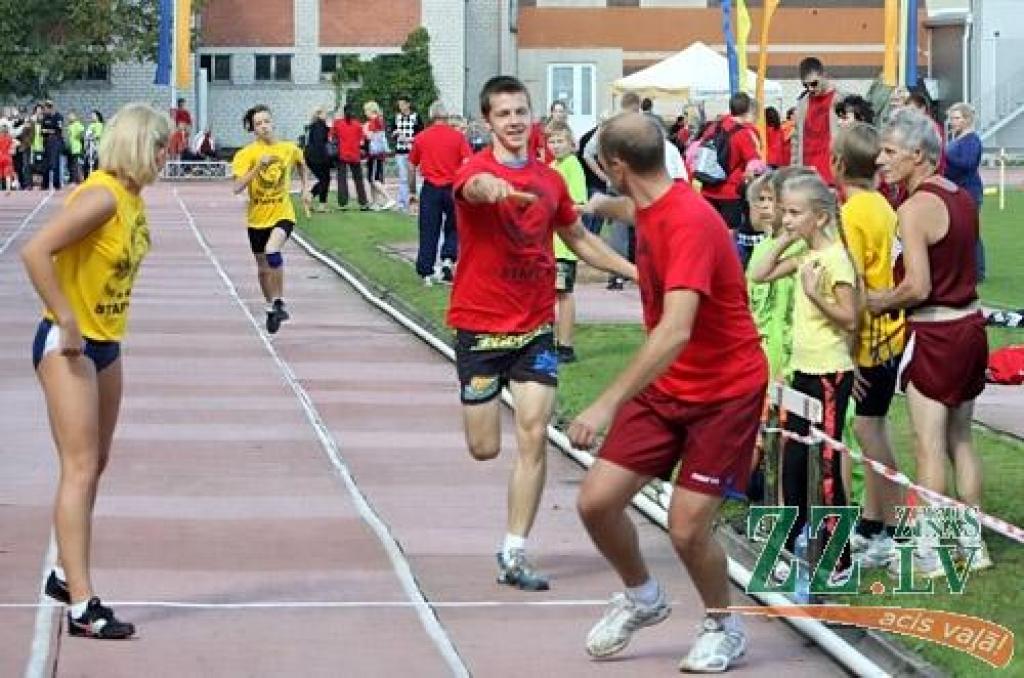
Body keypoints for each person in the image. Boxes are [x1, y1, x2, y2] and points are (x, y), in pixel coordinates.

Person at [570, 112, 767, 672]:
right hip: (667, 390)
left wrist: (606, 402)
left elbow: (676, 330)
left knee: (685, 528)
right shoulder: (658, 198)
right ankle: (642, 597)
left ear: (617, 166)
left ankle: (722, 625)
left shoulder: (688, 222)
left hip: (724, 391)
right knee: (596, 502)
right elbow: (633, 207)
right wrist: (589, 206)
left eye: (599, 169)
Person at [451, 76, 636, 592]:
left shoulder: (550, 180)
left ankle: (514, 551)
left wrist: (641, 273)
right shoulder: (475, 169)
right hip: (481, 327)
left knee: (534, 436)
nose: (513, 121)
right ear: (488, 121)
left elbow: (578, 239)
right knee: (485, 448)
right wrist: (496, 188)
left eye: (520, 112)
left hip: (534, 326)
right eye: (503, 114)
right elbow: (473, 188)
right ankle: (483, 415)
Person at [20, 103, 170, 639]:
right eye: (158, 145)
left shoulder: (133, 199)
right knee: (79, 467)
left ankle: (65, 574)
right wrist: (66, 316)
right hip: (70, 346)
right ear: (134, 144)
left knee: (97, 461)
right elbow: (35, 251)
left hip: (107, 343)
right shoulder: (102, 195)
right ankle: (83, 604)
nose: (165, 155)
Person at [868, 109, 991, 577]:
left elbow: (917, 286)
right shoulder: (960, 196)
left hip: (936, 330)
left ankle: (931, 551)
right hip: (971, 325)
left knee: (928, 444)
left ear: (918, 155)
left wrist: (878, 302)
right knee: (962, 440)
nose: (881, 160)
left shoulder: (914, 209)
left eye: (890, 152)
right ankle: (972, 543)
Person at [750, 172, 858, 582]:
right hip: (802, 371)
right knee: (794, 463)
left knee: (827, 467)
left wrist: (815, 296)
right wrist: (784, 237)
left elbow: (850, 317)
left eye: (795, 214)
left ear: (820, 216)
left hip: (830, 372)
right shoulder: (806, 254)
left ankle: (839, 558)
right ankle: (792, 543)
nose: (787, 219)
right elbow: (759, 273)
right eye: (784, 211)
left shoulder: (834, 260)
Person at [831, 123, 906, 569]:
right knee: (869, 426)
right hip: (889, 329)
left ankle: (889, 527)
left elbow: (854, 283)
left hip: (873, 336)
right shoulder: (880, 204)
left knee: (867, 429)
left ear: (838, 164)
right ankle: (875, 522)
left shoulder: (854, 212)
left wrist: (851, 350)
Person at [231, 105, 310, 334]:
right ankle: (270, 306)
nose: (264, 127)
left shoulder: (288, 148)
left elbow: (302, 165)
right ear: (253, 129)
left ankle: (279, 301)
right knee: (263, 269)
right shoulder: (245, 154)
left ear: (272, 123)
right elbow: (236, 187)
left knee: (272, 250)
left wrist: (305, 189)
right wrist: (257, 168)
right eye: (258, 124)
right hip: (257, 219)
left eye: (266, 122)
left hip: (282, 214)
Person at [409, 100, 471, 285]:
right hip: (453, 187)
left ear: (431, 116)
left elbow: (412, 166)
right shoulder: (458, 137)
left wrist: (412, 191)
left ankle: (426, 270)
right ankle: (448, 259)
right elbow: (468, 161)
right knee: (455, 226)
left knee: (428, 229)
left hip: (431, 187)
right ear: (446, 117)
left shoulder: (421, 138)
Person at [698, 92, 762, 267]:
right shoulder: (744, 134)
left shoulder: (716, 126)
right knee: (729, 233)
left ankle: (707, 265)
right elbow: (754, 165)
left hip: (708, 187)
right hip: (730, 192)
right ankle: (726, 267)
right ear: (748, 110)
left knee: (709, 231)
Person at [546, 120, 587, 364]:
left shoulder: (573, 166)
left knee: (564, 292)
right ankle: (549, 340)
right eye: (551, 141)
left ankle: (565, 344)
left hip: (563, 244)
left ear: (571, 143)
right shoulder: (551, 166)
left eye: (560, 141)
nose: (556, 145)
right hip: (547, 243)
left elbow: (578, 203)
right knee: (547, 293)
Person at [943, 102, 985, 282]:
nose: (953, 121)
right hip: (955, 189)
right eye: (951, 118)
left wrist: (946, 156)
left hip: (969, 190)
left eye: (957, 118)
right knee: (957, 230)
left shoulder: (972, 140)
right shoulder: (955, 138)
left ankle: (978, 271)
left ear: (967, 120)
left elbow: (968, 164)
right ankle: (961, 267)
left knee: (970, 231)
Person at [791, 57, 840, 184]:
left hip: (833, 175)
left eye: (814, 83)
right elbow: (795, 140)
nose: (810, 88)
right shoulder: (802, 103)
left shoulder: (840, 100)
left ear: (824, 75)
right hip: (807, 176)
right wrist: (794, 170)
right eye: (805, 85)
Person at [331, 104, 370, 211]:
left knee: (342, 179)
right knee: (358, 179)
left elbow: (332, 136)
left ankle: (343, 203)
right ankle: (363, 203)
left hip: (342, 154)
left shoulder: (338, 124)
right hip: (355, 154)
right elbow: (362, 140)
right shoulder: (358, 125)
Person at [393, 95, 423, 213]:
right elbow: (392, 131)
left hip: (413, 151)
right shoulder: (397, 117)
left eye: (402, 104)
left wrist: (409, 139)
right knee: (403, 177)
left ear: (408, 104)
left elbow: (421, 134)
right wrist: (396, 134)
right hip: (400, 150)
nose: (400, 107)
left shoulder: (416, 117)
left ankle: (416, 202)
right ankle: (403, 203)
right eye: (399, 105)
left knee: (415, 177)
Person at [363, 100, 394, 210]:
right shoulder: (379, 120)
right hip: (376, 154)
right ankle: (375, 203)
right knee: (372, 179)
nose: (365, 113)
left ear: (370, 110)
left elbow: (370, 136)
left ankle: (389, 198)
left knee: (374, 179)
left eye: (366, 110)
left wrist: (365, 129)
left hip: (375, 154)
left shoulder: (374, 122)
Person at [303, 107, 332, 212]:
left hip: (310, 157)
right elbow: (320, 143)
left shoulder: (312, 127)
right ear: (319, 115)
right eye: (325, 114)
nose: (326, 116)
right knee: (325, 179)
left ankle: (313, 198)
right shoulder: (321, 127)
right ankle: (319, 203)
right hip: (318, 157)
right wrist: (327, 158)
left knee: (324, 179)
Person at [83, 110, 104, 180]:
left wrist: (91, 137)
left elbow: (97, 135)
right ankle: (86, 179)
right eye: (91, 115)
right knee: (86, 165)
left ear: (97, 116)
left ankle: (96, 179)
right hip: (88, 148)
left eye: (93, 115)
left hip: (95, 148)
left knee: (95, 165)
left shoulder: (99, 124)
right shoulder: (91, 125)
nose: (92, 117)